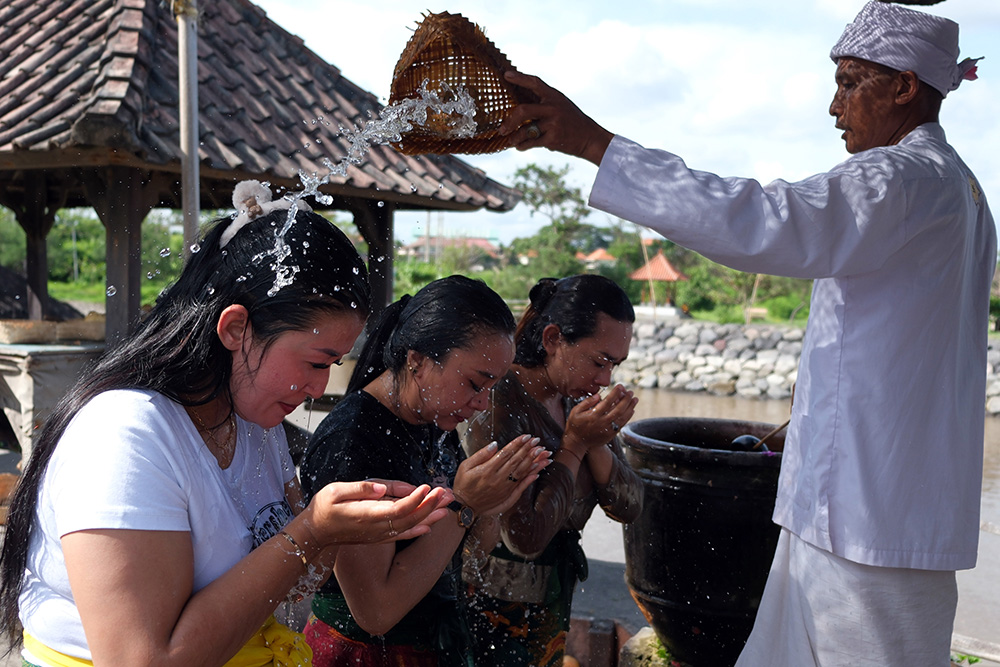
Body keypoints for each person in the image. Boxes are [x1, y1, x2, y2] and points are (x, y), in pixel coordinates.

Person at [496, 2, 995, 665]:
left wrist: (594, 144)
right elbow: (898, 355)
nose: (834, 106)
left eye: (850, 81)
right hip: (862, 510)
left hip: (863, 524)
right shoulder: (960, 189)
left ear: (905, 86)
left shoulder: (898, 177)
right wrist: (817, 419)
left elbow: (759, 220)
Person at [0, 181, 451, 667]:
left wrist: (344, 529)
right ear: (236, 328)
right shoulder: (124, 436)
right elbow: (143, 659)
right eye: (318, 362)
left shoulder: (254, 422)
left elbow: (293, 581)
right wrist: (313, 531)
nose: (321, 389)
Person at [299, 275, 552, 667]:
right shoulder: (353, 444)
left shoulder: (432, 420)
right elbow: (376, 612)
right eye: (474, 383)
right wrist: (465, 504)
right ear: (417, 360)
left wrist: (493, 503)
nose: (483, 404)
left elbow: (463, 559)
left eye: (492, 388)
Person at [462, 274, 643, 667]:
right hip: (495, 609)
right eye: (599, 361)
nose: (605, 380)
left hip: (553, 601)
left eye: (615, 365)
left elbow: (629, 507)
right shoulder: (499, 403)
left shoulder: (576, 398)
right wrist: (575, 444)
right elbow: (523, 536)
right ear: (553, 340)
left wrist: (593, 442)